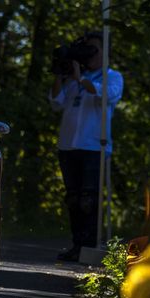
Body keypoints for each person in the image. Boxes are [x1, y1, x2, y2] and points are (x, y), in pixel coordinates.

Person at [49, 31, 124, 261]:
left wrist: (81, 78)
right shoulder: (75, 79)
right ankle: (77, 245)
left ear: (105, 53)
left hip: (94, 147)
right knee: (72, 198)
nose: (90, 55)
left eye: (95, 50)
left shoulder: (111, 76)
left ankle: (89, 247)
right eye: (87, 49)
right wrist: (60, 75)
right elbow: (55, 103)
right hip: (69, 146)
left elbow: (107, 96)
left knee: (88, 200)